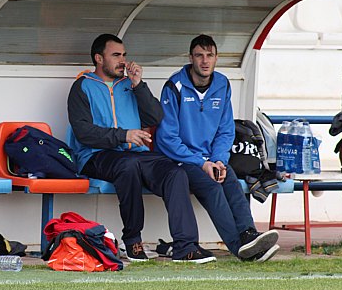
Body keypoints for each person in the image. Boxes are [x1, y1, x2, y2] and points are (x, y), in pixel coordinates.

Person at [67, 33, 215, 264]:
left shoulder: (130, 85)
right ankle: (133, 239)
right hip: (96, 156)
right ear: (98, 58)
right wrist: (123, 135)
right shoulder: (82, 87)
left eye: (124, 55)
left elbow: (155, 116)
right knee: (128, 166)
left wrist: (138, 85)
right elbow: (83, 132)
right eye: (116, 55)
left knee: (175, 172)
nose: (123, 61)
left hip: (136, 154)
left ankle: (186, 247)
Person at [155, 34, 280, 262]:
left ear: (216, 58)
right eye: (199, 55)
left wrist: (219, 160)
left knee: (230, 179)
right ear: (190, 58)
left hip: (211, 159)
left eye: (209, 56)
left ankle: (248, 234)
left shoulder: (222, 84)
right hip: (180, 160)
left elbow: (225, 130)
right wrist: (202, 163)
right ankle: (238, 246)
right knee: (212, 186)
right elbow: (167, 139)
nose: (204, 61)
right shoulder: (174, 86)